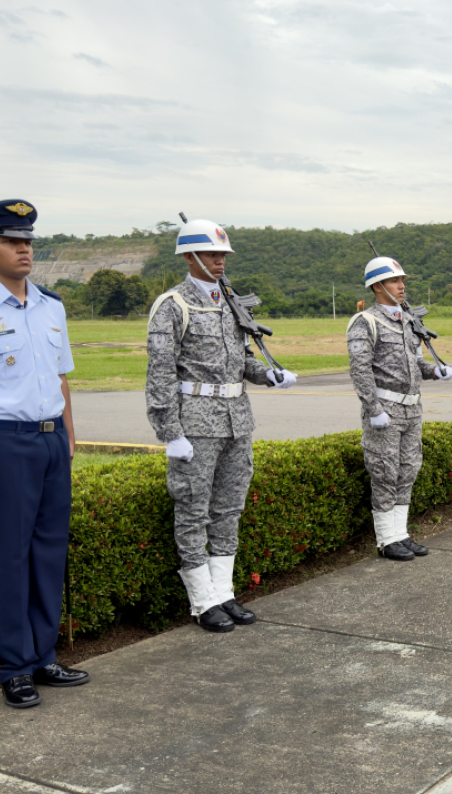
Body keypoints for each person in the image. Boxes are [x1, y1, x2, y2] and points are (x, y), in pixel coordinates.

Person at [147, 218, 299, 633]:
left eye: (223, 255)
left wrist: (268, 375)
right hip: (195, 422)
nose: (220, 261)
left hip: (237, 419)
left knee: (228, 508)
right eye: (212, 254)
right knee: (194, 509)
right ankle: (201, 600)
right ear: (189, 256)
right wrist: (170, 432)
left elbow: (241, 360)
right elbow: (159, 374)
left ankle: (223, 592)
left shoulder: (229, 302)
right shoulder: (172, 305)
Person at [0, 199, 86, 709]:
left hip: (52, 439)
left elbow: (60, 377)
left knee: (47, 552)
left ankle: (43, 655)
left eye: (28, 241)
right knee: (7, 557)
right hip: (3, 442)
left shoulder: (50, 305)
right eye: (12, 241)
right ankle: (13, 667)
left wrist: (70, 438)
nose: (23, 249)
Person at [346, 256, 452, 561]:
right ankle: (385, 538)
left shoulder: (408, 321)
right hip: (385, 409)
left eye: (402, 280)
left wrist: (435, 371)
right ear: (378, 286)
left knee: (408, 470)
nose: (402, 285)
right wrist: (373, 408)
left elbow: (416, 364)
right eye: (396, 281)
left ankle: (401, 533)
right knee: (384, 471)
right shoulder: (365, 322)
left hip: (411, 408)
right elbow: (360, 370)